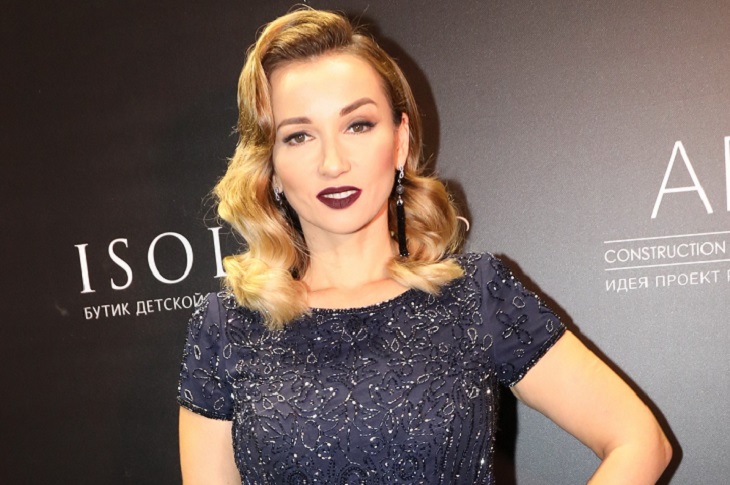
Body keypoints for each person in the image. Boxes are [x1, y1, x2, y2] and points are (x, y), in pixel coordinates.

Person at [178, 8, 671, 484]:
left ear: (399, 141)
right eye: (299, 136)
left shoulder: (475, 296)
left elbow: (640, 441)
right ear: (271, 168)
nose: (333, 162)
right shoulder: (226, 327)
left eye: (357, 125)